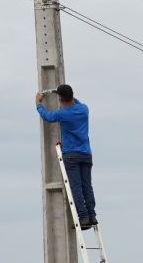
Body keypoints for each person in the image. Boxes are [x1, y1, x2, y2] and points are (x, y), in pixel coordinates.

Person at [35, 84, 97, 230]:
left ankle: (83, 218)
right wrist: (65, 94)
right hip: (86, 154)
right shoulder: (84, 109)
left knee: (76, 187)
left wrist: (38, 104)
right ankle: (92, 215)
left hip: (71, 155)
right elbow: (76, 101)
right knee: (87, 186)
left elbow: (47, 116)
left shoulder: (63, 114)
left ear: (61, 99)